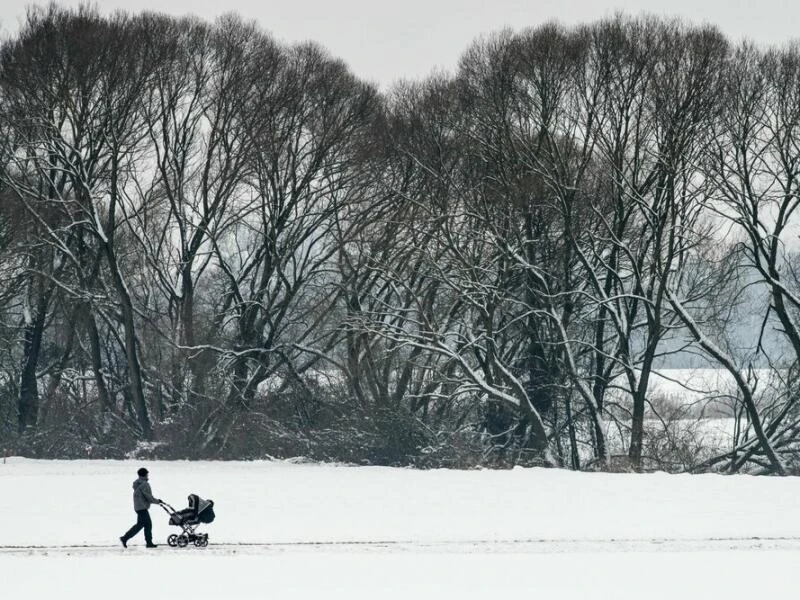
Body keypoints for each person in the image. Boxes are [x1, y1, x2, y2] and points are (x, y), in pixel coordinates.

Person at [120, 467, 162, 548]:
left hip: (138, 507)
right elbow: (149, 497)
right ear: (145, 474)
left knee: (147, 524)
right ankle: (124, 538)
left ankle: (149, 543)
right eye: (147, 474)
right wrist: (158, 501)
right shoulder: (145, 484)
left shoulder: (137, 483)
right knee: (141, 525)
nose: (148, 475)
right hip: (142, 507)